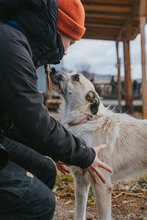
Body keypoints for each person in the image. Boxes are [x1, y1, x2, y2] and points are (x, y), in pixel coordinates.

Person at [0, 0, 112, 219]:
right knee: (39, 202)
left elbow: (15, 120)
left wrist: (54, 150)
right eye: (71, 41)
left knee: (45, 169)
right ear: (58, 29)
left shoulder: (16, 42)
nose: (67, 51)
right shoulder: (9, 45)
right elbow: (35, 120)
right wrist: (83, 155)